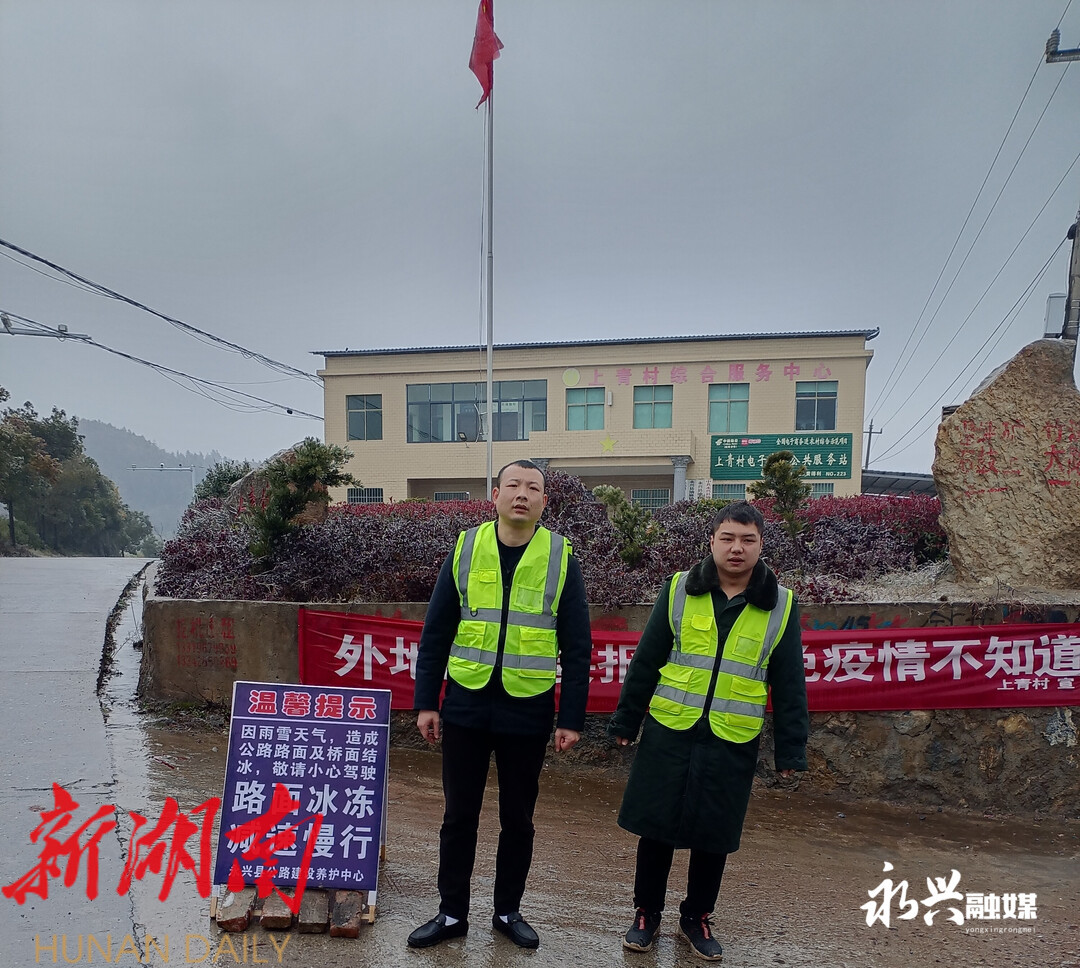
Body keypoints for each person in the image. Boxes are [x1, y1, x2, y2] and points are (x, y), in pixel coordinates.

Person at [609, 500, 808, 962]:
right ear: (712, 541)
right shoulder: (680, 589)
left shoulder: (781, 605)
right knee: (656, 826)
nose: (737, 548)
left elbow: (789, 681)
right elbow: (648, 658)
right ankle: (646, 913)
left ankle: (696, 917)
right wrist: (626, 719)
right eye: (728, 538)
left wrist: (790, 750)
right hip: (670, 728)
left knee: (713, 832)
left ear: (761, 545)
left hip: (732, 735)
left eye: (748, 540)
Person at [407, 459, 592, 951]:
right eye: (513, 485)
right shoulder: (467, 547)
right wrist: (427, 702)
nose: (522, 494)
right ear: (495, 494)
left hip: (527, 708)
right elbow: (437, 630)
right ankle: (451, 913)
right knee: (458, 816)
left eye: (533, 487)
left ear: (544, 501)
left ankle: (508, 911)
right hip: (466, 703)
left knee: (519, 819)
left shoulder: (560, 556)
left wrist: (571, 717)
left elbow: (577, 645)